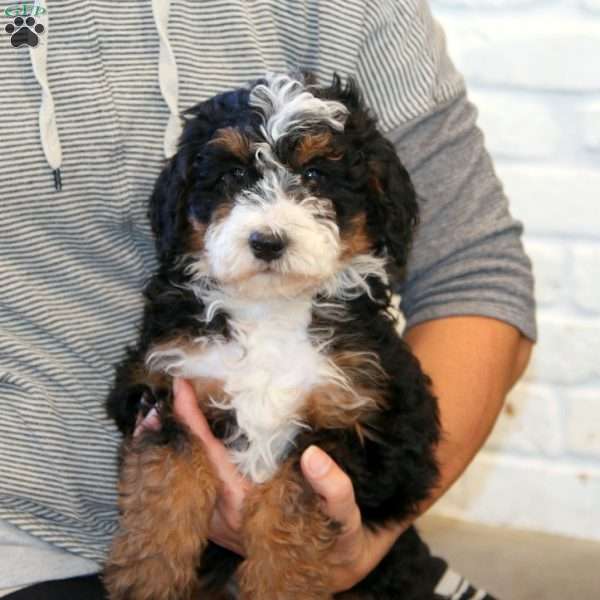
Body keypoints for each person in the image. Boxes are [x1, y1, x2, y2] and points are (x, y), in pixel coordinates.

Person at [0, 0, 535, 598]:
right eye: (233, 182)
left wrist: (357, 545)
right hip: (34, 544)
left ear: (377, 202)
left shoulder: (358, 353)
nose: (270, 223)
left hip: (360, 557)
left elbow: (475, 273)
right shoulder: (182, 328)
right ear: (183, 207)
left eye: (313, 183)